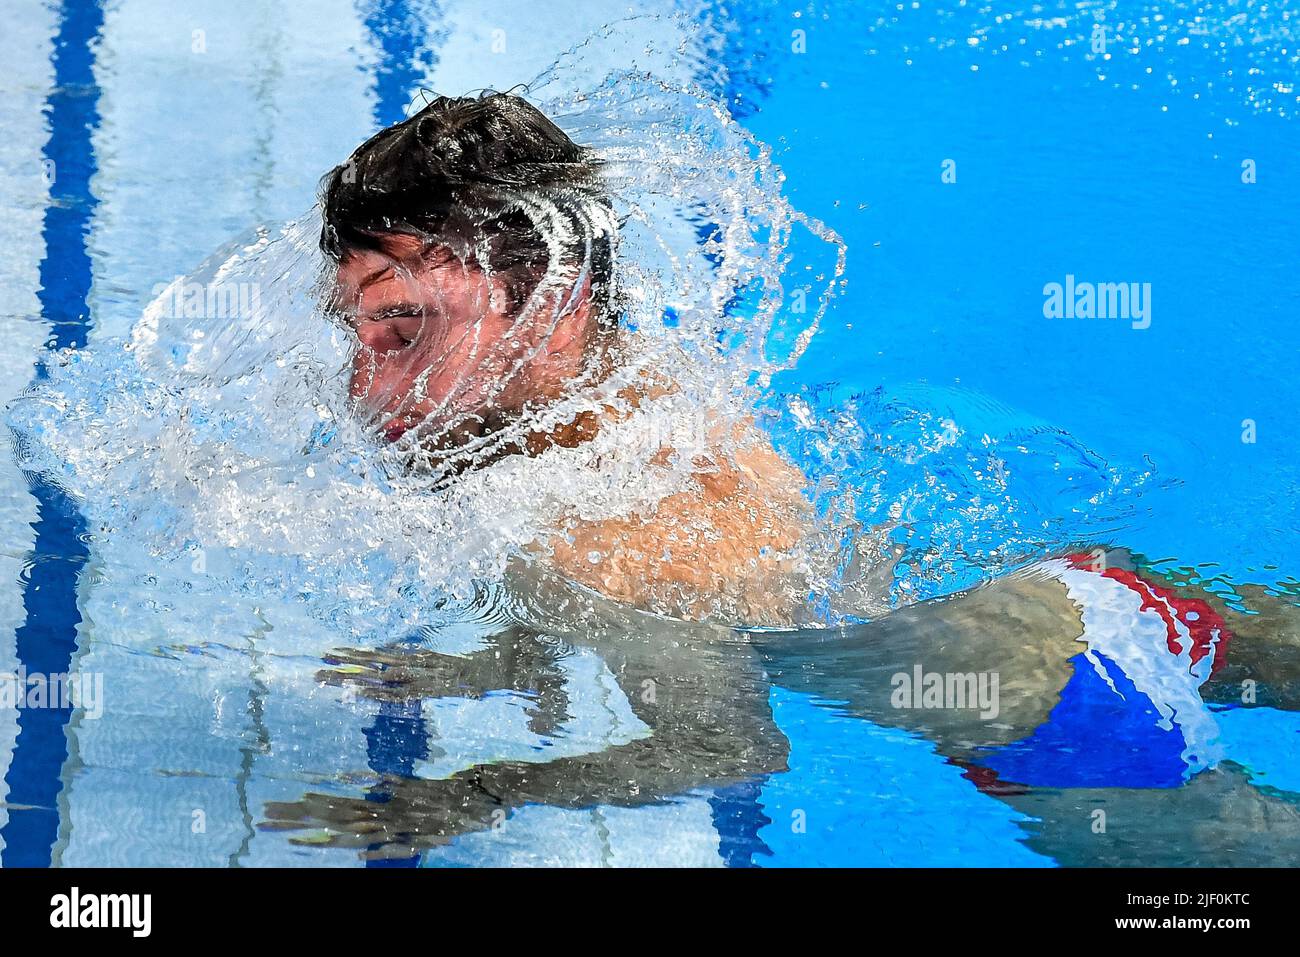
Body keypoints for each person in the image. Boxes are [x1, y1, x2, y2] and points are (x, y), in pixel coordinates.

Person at [319, 91, 811, 625]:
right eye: (353, 334)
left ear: (550, 310)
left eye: (408, 333)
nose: (365, 391)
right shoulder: (582, 414)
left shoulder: (655, 556)